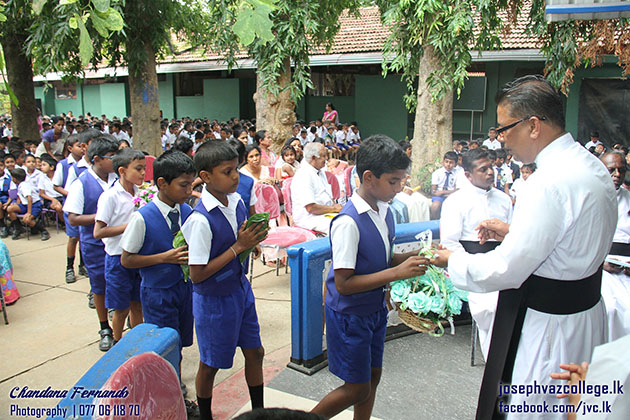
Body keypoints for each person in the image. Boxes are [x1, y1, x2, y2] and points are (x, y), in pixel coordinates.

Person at [431, 75, 617, 419]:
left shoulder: (546, 183)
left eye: (505, 129)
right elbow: (572, 241)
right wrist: (514, 232)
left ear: (533, 125)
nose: (501, 140)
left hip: (550, 326)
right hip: (585, 315)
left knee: (537, 408)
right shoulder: (591, 165)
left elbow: (506, 269)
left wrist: (452, 259)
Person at [311, 135, 428, 420]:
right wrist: (396, 273)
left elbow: (383, 259)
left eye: (402, 180)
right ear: (368, 177)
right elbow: (344, 284)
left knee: (373, 377)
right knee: (355, 388)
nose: (400, 188)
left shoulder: (384, 211)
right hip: (351, 315)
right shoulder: (348, 222)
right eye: (393, 181)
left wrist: (417, 258)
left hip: (374, 310)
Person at [181, 141, 269, 420]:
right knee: (211, 363)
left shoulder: (238, 201)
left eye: (235, 169)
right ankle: (205, 416)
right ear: (205, 177)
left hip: (240, 289)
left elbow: (241, 237)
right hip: (214, 299)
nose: (235, 177)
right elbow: (197, 274)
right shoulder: (200, 220)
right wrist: (238, 246)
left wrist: (253, 238)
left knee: (255, 352)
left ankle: (259, 412)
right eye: (227, 171)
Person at [120, 150, 196, 397]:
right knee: (162, 343)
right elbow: (127, 259)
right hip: (158, 292)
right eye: (183, 185)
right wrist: (164, 258)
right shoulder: (142, 218)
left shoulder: (187, 212)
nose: (188, 191)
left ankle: (176, 382)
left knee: (180, 342)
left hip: (184, 288)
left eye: (190, 185)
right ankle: (163, 389)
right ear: (162, 183)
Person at [439, 148, 513, 361]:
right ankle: (495, 360)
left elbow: (513, 237)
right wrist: (476, 265)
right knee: (489, 308)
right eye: (483, 169)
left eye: (491, 167)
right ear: (468, 175)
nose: (490, 172)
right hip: (470, 266)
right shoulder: (456, 201)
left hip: (503, 264)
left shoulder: (504, 200)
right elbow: (450, 243)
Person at [63, 135, 119, 351]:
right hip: (94, 244)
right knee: (99, 285)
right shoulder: (82, 183)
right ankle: (104, 327)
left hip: (117, 241)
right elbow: (74, 217)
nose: (115, 161)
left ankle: (122, 320)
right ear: (97, 159)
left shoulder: (117, 178)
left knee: (120, 280)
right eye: (111, 157)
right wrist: (102, 217)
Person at [94, 148, 146, 345]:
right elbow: (98, 232)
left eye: (144, 168)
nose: (142, 173)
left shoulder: (141, 192)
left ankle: (137, 343)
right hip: (117, 258)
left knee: (137, 304)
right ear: (122, 171)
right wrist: (130, 226)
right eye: (138, 169)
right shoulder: (110, 196)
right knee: (121, 307)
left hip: (137, 256)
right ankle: (117, 343)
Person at [599, 151, 630, 341]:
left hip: (627, 268)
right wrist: (600, 263)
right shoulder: (592, 198)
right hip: (602, 268)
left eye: (621, 170)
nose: (617, 175)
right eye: (611, 170)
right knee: (610, 309)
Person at [53, 135, 87, 284]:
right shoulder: (64, 165)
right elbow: (56, 185)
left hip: (86, 207)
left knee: (85, 238)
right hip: (73, 206)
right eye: (78, 146)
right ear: (70, 148)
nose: (82, 149)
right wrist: (73, 194)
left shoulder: (89, 164)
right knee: (73, 238)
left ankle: (83, 265)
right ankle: (69, 267)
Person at [291, 142, 342, 233]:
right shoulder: (303, 175)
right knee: (342, 226)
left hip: (325, 213)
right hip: (309, 218)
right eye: (323, 156)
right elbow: (311, 208)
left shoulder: (320, 170)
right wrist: (335, 209)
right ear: (313, 157)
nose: (326, 159)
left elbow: (328, 196)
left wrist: (337, 208)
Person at [6, 167, 48, 241]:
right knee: (10, 209)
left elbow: (29, 198)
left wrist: (28, 212)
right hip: (25, 205)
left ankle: (43, 231)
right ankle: (18, 227)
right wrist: (16, 206)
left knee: (27, 219)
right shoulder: (19, 185)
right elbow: (20, 198)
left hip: (35, 205)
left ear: (15, 179)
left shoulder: (24, 186)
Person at [430, 151, 457, 220]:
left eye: (451, 163)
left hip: (451, 196)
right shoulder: (437, 173)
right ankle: (434, 224)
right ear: (443, 162)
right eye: (446, 162)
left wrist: (442, 192)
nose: (448, 164)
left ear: (455, 164)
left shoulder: (458, 174)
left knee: (454, 206)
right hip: (439, 197)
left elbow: (457, 191)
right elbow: (434, 191)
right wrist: (450, 192)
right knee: (435, 206)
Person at [38, 154, 65, 223]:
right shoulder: (42, 177)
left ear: (51, 167)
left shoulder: (58, 175)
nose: (41, 167)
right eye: (41, 165)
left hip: (61, 197)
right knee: (58, 207)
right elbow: (42, 193)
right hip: (50, 199)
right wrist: (53, 199)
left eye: (44, 165)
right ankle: (64, 223)